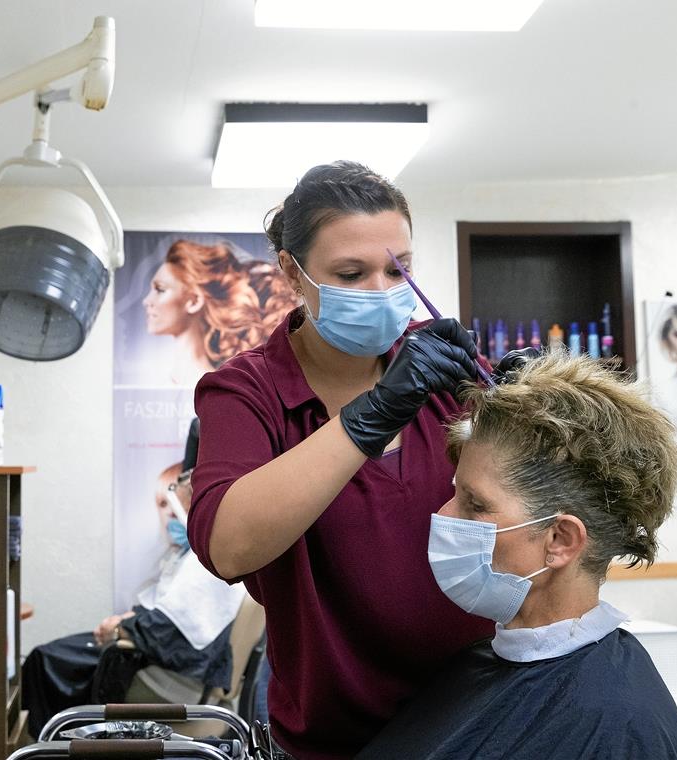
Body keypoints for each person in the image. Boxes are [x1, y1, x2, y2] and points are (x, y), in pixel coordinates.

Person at [188, 160, 528, 760]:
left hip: (477, 721)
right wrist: (375, 413)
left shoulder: (438, 367)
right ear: (292, 273)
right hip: (335, 740)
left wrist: (531, 411)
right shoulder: (246, 393)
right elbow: (228, 544)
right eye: (350, 273)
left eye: (398, 270)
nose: (380, 291)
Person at [358, 352, 677, 760]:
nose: (444, 515)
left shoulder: (617, 724)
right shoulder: (479, 664)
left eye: (475, 504)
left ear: (560, 540)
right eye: (455, 492)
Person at [21, 460, 245, 739]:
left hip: (166, 677)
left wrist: (119, 629)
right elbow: (170, 614)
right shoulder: (202, 556)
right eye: (164, 504)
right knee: (50, 655)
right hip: (167, 664)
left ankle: (48, 745)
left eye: (180, 502)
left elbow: (170, 630)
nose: (173, 514)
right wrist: (128, 621)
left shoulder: (208, 565)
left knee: (44, 659)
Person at [142, 239, 298, 386]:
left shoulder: (226, 385)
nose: (146, 301)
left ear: (194, 301)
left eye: (160, 290)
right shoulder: (161, 378)